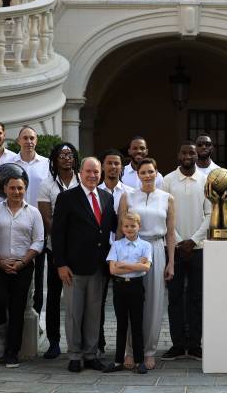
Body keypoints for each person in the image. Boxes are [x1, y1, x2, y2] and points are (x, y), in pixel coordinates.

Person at [53, 157, 116, 373]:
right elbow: (58, 234)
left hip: (99, 267)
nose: (92, 176)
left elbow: (110, 229)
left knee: (93, 314)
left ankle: (91, 355)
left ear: (101, 174)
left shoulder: (107, 198)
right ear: (80, 172)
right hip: (73, 268)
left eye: (96, 172)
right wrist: (60, 264)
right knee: (73, 312)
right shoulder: (66, 198)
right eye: (88, 171)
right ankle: (74, 355)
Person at [118, 158, 175, 370]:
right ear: (138, 175)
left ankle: (149, 351)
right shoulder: (128, 196)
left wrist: (171, 262)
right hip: (132, 250)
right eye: (143, 172)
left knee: (154, 303)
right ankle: (131, 351)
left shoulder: (167, 198)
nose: (147, 175)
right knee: (131, 302)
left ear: (156, 173)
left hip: (157, 249)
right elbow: (119, 229)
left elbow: (171, 233)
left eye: (151, 171)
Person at [0, 168, 45, 368]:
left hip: (23, 266)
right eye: (12, 188)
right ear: (5, 189)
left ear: (25, 189)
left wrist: (22, 262)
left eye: (20, 188)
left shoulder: (33, 212)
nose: (16, 191)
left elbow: (38, 241)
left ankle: (13, 351)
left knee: (18, 307)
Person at [162, 142, 211, 361]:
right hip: (174, 249)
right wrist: (180, 242)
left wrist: (193, 240)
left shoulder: (206, 180)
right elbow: (163, 213)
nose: (188, 155)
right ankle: (178, 344)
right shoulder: (167, 180)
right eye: (184, 152)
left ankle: (194, 344)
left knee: (196, 297)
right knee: (174, 298)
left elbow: (210, 214)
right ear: (178, 155)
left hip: (199, 249)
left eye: (191, 152)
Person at [37, 143, 80, 359]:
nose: (66, 158)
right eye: (62, 155)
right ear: (54, 159)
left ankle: (84, 341)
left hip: (80, 249)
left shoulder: (82, 181)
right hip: (56, 248)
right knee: (54, 296)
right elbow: (46, 219)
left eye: (69, 155)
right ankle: (54, 341)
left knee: (80, 296)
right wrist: (65, 236)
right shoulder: (47, 185)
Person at [102, 212, 151, 375]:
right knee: (121, 325)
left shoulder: (145, 246)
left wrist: (123, 264)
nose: (129, 229)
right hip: (120, 287)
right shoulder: (116, 245)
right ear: (122, 228)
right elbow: (112, 269)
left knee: (137, 325)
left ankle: (139, 361)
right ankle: (118, 361)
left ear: (139, 227)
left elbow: (146, 268)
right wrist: (134, 265)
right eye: (126, 226)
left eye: (133, 226)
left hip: (136, 287)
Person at [97, 148, 134, 354]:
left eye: (116, 164)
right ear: (103, 166)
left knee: (123, 302)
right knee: (98, 301)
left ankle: (124, 346)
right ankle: (99, 342)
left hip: (123, 254)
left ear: (122, 167)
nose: (113, 167)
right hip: (100, 253)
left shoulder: (129, 193)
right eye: (109, 163)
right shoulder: (95, 191)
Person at [13, 126, 50, 321]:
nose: (29, 141)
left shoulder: (46, 164)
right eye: (25, 138)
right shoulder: (10, 163)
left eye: (32, 138)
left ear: (36, 141)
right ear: (18, 141)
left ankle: (39, 315)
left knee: (40, 271)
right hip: (16, 223)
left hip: (40, 222)